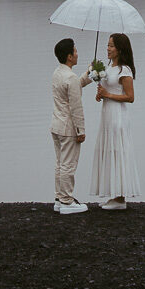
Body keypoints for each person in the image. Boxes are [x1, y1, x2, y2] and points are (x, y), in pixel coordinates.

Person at [89, 32, 141, 210]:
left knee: (118, 150)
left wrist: (107, 94)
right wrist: (100, 94)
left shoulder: (123, 70)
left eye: (111, 46)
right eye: (107, 45)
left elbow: (130, 97)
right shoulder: (108, 69)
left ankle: (120, 199)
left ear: (120, 49)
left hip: (118, 115)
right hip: (107, 114)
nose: (108, 48)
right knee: (109, 149)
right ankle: (113, 194)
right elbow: (106, 91)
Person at [49, 37, 91, 213]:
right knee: (68, 164)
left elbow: (73, 88)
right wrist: (81, 130)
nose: (77, 53)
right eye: (74, 51)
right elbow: (76, 106)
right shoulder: (70, 77)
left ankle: (59, 198)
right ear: (69, 56)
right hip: (68, 127)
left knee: (60, 163)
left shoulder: (58, 73)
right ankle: (67, 201)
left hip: (56, 125)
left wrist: (88, 74)